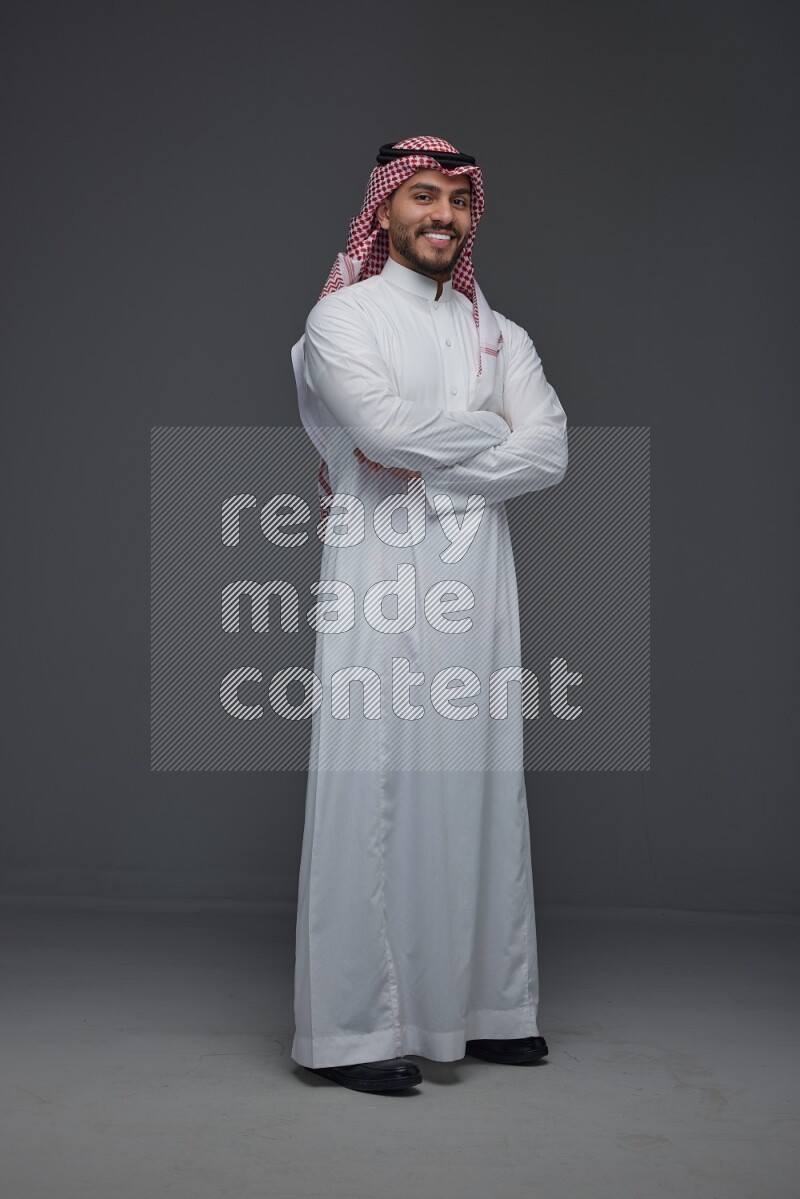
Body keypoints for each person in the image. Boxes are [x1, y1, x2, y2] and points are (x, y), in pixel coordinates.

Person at [289, 135, 568, 1093]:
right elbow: (378, 433)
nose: (441, 214)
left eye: (456, 197)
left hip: (479, 581)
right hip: (376, 568)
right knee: (372, 779)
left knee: (482, 776)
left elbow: (551, 452)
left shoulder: (504, 335)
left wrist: (439, 459)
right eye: (420, 196)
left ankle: (489, 1007)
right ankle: (354, 1030)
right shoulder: (343, 320)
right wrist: (488, 436)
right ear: (386, 209)